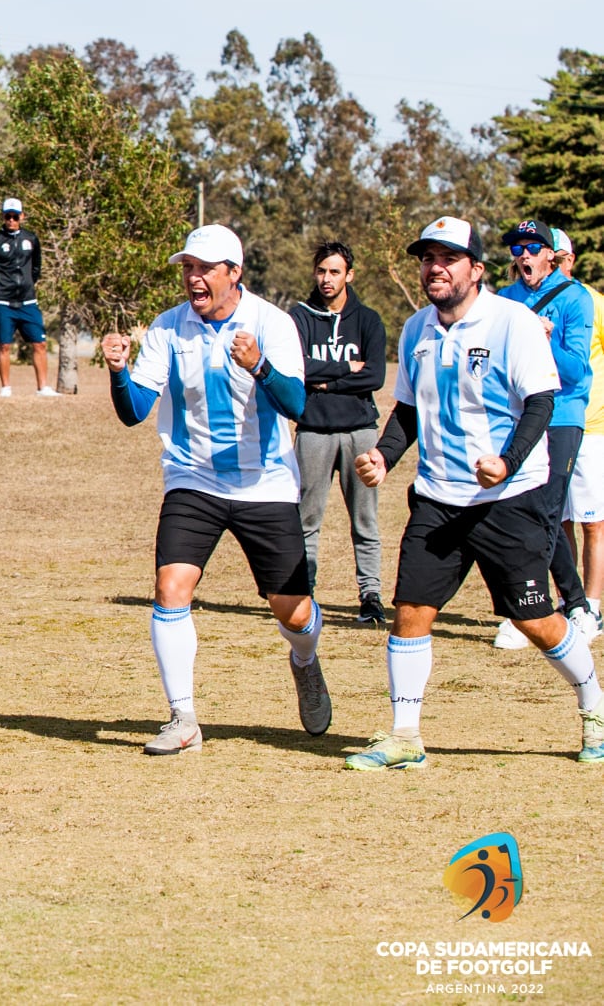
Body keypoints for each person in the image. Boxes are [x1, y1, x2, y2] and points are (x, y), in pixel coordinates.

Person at [347, 216, 603, 768]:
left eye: (447, 259)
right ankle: (405, 736)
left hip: (509, 500)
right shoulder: (416, 329)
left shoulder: (512, 321)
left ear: (477, 269)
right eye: (426, 258)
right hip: (438, 498)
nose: (434, 268)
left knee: (536, 620)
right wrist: (384, 457)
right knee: (411, 610)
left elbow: (540, 402)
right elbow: (409, 410)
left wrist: (506, 463)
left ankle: (594, 704)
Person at [102, 223, 328, 756]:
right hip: (192, 479)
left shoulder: (271, 323)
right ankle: (182, 720)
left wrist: (260, 367)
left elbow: (299, 407)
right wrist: (119, 371)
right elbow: (136, 411)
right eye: (188, 268)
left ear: (235, 273)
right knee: (170, 588)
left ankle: (305, 660)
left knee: (292, 611)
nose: (194, 278)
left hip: (265, 483)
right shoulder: (168, 328)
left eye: (204, 269)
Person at [492, 220, 594, 650]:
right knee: (523, 510)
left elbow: (576, 372)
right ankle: (574, 603)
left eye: (533, 247)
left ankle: (536, 608)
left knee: (548, 511)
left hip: (563, 416)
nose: (524, 255)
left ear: (552, 254)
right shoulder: (504, 300)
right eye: (518, 248)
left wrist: (544, 339)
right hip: (519, 417)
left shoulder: (575, 299)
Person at [290, 241, 388, 625]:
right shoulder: (298, 318)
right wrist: (348, 368)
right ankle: (304, 593)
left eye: (335, 272)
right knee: (306, 517)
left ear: (349, 274)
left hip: (360, 431)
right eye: (321, 271)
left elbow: (376, 375)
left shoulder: (368, 319)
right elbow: (297, 368)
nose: (327, 279)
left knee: (365, 520)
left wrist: (325, 379)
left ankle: (371, 596)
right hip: (313, 429)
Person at [555, 229, 604, 639]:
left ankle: (593, 606)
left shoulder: (592, 302)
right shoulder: (521, 299)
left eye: (560, 257)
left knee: (593, 523)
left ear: (571, 259)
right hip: (543, 424)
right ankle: (566, 601)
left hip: (592, 426)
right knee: (557, 521)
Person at [0, 197, 54, 398]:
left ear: (22, 216)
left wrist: (28, 285)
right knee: (4, 345)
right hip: (4, 303)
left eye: (15, 216)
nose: (11, 220)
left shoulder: (31, 239)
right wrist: (0, 288)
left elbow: (37, 267)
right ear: (3, 217)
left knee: (39, 344)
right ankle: (5, 387)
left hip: (28, 302)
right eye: (8, 216)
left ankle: (43, 387)